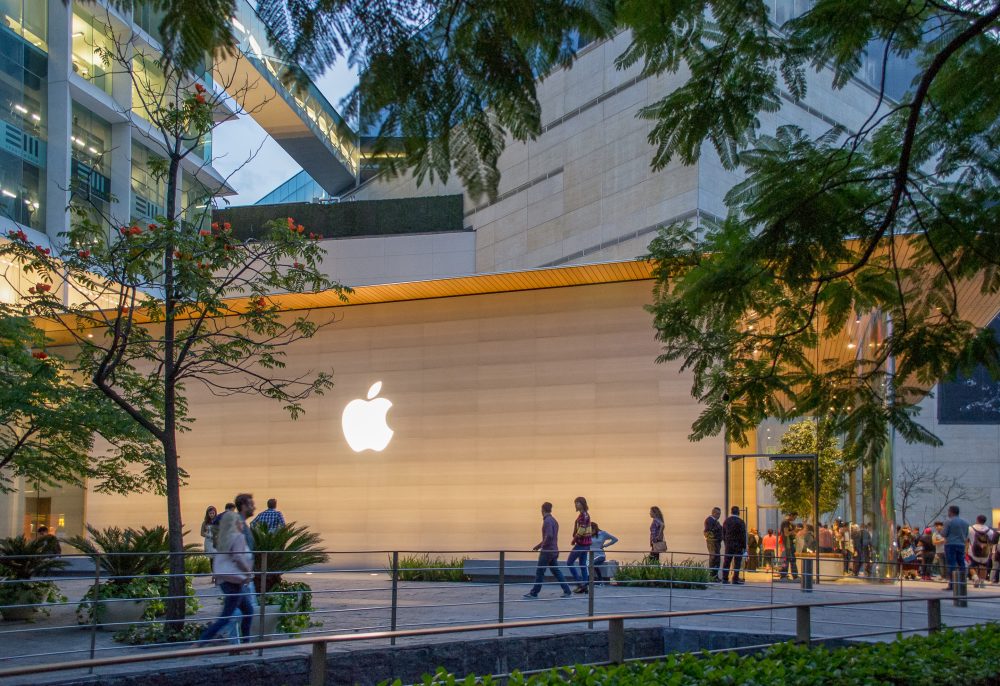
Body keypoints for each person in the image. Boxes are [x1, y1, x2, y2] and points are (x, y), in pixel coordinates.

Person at [199, 511, 254, 644]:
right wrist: (248, 572)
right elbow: (238, 557)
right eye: (240, 522)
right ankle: (201, 642)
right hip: (235, 581)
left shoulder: (225, 538)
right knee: (227, 616)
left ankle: (246, 646)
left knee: (248, 610)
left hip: (228, 580)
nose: (242, 524)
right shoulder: (237, 537)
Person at [524, 502, 573, 598]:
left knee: (540, 572)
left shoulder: (547, 521)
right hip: (554, 550)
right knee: (556, 571)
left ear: (542, 510)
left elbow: (549, 536)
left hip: (547, 551)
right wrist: (539, 545)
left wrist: (542, 546)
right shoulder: (554, 520)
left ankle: (534, 593)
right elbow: (550, 536)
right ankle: (567, 590)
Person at [566, 497, 593, 593]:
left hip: (581, 544)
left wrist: (574, 539)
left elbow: (582, 529)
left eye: (577, 503)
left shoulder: (583, 515)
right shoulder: (585, 515)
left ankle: (580, 584)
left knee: (569, 562)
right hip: (586, 544)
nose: (576, 505)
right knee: (582, 565)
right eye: (575, 503)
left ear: (582, 504)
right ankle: (584, 586)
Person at [942, 505, 969, 591]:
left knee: (951, 564)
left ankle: (952, 584)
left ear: (951, 512)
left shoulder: (948, 521)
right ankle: (962, 582)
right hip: (961, 544)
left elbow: (944, 534)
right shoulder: (965, 522)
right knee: (961, 563)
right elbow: (966, 534)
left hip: (950, 544)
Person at [721, 506, 747, 585]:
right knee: (737, 563)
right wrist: (744, 547)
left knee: (727, 562)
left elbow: (723, 534)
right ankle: (735, 579)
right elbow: (743, 535)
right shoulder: (741, 522)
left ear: (731, 512)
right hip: (738, 545)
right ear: (738, 512)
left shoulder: (726, 521)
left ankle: (725, 579)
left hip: (729, 545)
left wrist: (726, 543)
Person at [967, 514, 993, 588]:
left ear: (977, 520)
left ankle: (975, 578)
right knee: (983, 566)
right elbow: (992, 541)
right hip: (985, 552)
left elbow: (966, 539)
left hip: (973, 552)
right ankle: (982, 581)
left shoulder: (970, 528)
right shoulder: (990, 531)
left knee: (971, 566)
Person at [704, 507, 723, 581]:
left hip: (716, 543)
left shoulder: (715, 521)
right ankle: (712, 576)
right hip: (713, 542)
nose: (719, 516)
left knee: (716, 559)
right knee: (714, 558)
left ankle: (715, 576)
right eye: (718, 514)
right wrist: (715, 537)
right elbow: (708, 532)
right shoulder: (710, 520)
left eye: (720, 514)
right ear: (713, 513)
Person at [778, 513, 798, 581]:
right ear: (791, 515)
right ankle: (784, 575)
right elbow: (786, 533)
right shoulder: (785, 522)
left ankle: (793, 575)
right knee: (787, 559)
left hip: (790, 544)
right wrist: (794, 531)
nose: (794, 519)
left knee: (791, 559)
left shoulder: (789, 523)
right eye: (794, 517)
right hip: (787, 544)